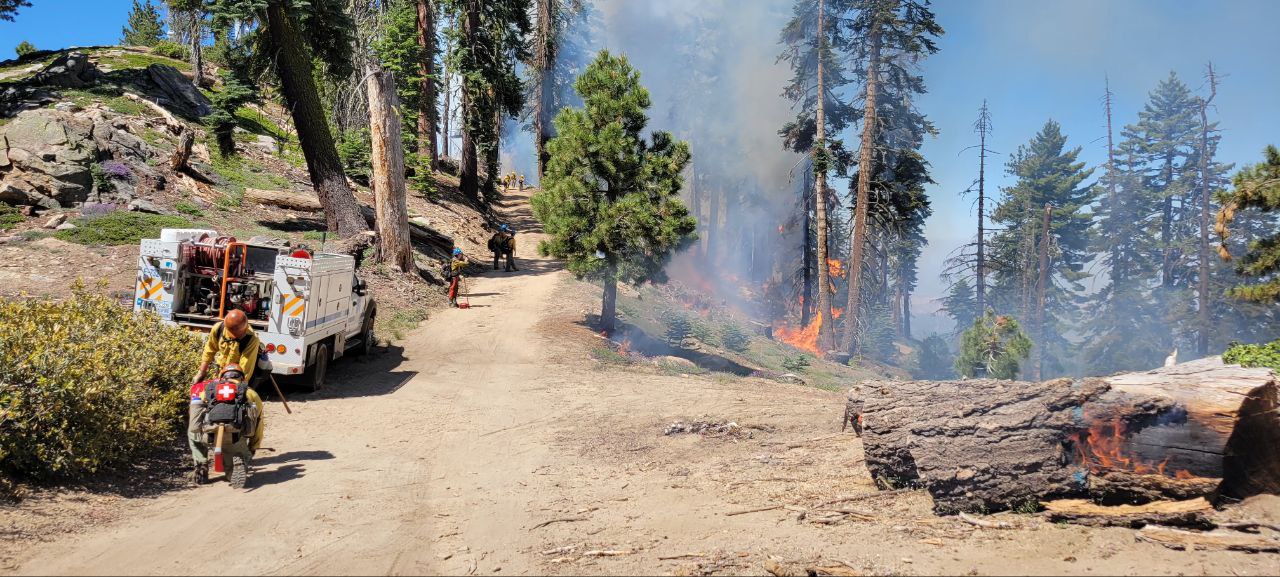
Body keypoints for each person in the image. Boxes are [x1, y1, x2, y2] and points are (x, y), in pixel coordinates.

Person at [189, 363, 263, 485]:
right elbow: (259, 422)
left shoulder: (209, 389)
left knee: (192, 435)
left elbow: (197, 414)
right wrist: (253, 447)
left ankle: (201, 466)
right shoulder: (250, 393)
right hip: (235, 435)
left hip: (210, 435)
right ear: (242, 378)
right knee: (232, 466)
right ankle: (236, 464)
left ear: (222, 377)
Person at [192, 309, 260, 385]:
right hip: (221, 371)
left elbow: (245, 368)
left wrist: (238, 386)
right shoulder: (218, 329)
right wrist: (201, 372)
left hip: (238, 376)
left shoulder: (251, 339)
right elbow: (209, 350)